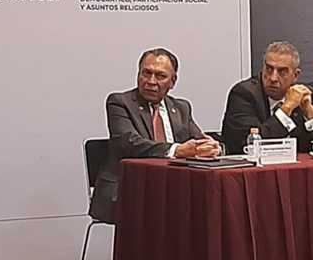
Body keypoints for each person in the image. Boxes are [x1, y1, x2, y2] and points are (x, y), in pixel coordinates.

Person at [89, 48, 220, 224]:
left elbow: (198, 141)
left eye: (160, 76)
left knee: (211, 209)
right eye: (146, 73)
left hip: (174, 188)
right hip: (130, 189)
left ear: (173, 81)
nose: (151, 81)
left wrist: (211, 148)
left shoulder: (181, 107)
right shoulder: (120, 102)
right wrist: (176, 150)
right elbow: (129, 143)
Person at [221, 41, 313, 154]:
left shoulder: (302, 95)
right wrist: (286, 108)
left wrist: (310, 114)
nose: (273, 78)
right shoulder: (244, 94)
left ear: (295, 75)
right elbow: (252, 144)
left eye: (282, 72)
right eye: (269, 69)